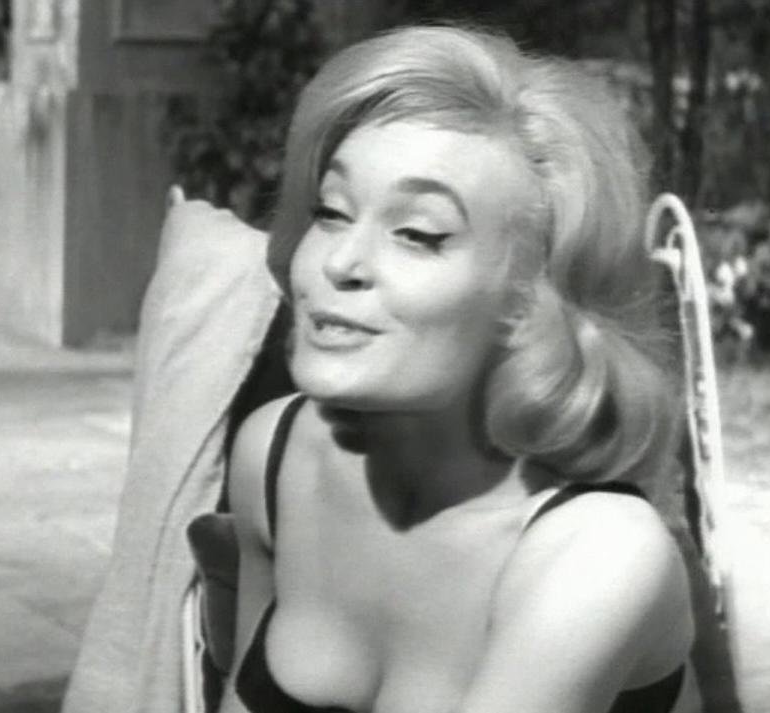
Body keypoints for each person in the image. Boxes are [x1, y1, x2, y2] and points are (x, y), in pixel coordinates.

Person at [217, 24, 701, 713]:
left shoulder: (600, 555)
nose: (339, 262)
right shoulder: (273, 456)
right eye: (332, 211)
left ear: (533, 300)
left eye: (418, 233)